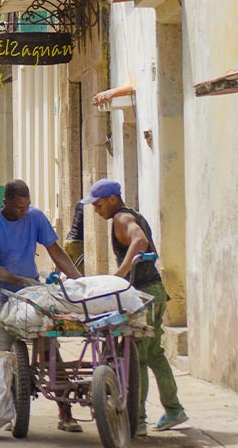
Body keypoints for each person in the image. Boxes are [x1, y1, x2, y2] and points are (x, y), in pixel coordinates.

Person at [0, 179, 83, 432]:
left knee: (49, 350)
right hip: (1, 295)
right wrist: (18, 280)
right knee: (4, 354)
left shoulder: (35, 217)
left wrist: (79, 281)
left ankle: (65, 413)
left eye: (27, 206)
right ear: (6, 203)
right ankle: (8, 412)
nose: (24, 212)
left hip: (32, 295)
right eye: (19, 208)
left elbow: (56, 251)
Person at [87, 178, 188, 434]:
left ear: (112, 199)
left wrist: (120, 274)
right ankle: (174, 409)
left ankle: (138, 419)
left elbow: (140, 241)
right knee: (153, 354)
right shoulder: (131, 214)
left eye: (98, 205)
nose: (96, 210)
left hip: (144, 296)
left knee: (137, 357)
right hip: (155, 292)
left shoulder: (121, 218)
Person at [64, 197, 86, 273]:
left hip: (68, 241)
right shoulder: (86, 205)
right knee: (79, 272)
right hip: (77, 242)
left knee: (69, 271)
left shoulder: (79, 204)